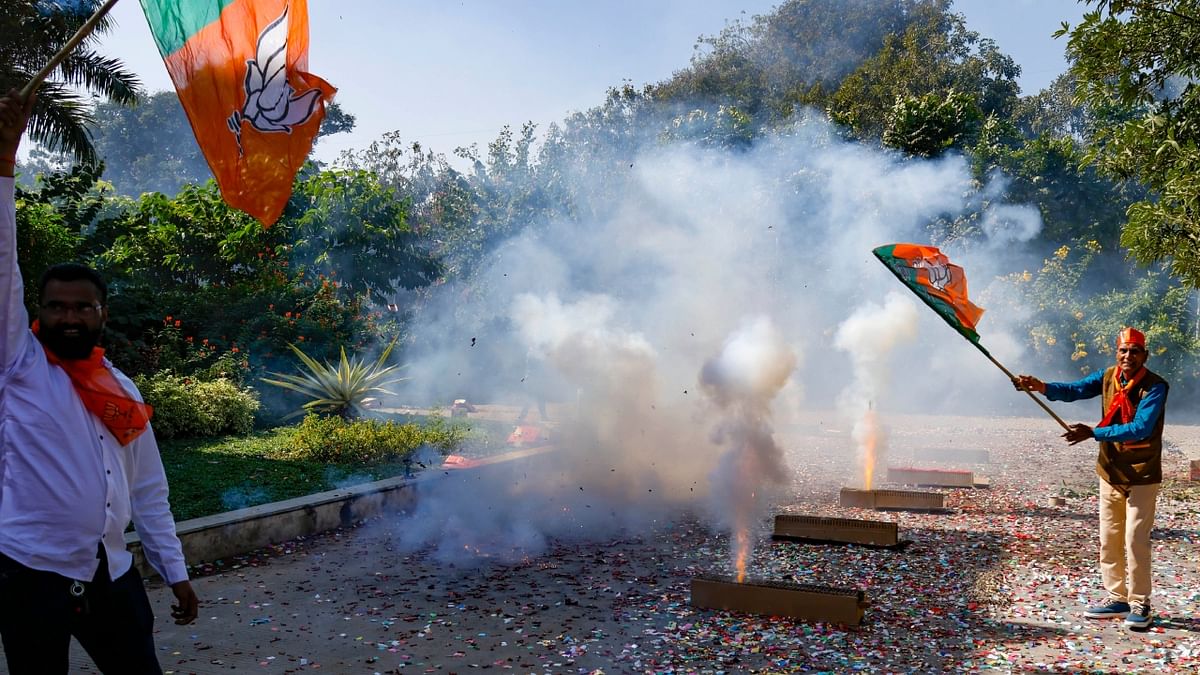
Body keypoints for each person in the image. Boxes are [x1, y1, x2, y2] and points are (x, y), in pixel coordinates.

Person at [0, 89, 198, 673]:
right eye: (57, 306)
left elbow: (148, 494)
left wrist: (176, 572)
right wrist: (4, 164)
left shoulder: (122, 390)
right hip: (30, 575)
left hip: (112, 573)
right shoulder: (20, 366)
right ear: (37, 312)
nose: (69, 316)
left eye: (82, 307)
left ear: (101, 315)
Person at [1013, 326, 1168, 631]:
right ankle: (1117, 598)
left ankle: (1140, 603)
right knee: (1109, 538)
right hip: (1110, 471)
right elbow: (1073, 390)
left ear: (1144, 356)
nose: (1128, 356)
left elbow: (1141, 428)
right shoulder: (1107, 376)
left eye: (1135, 351)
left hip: (1142, 474)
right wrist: (1041, 386)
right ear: (1117, 353)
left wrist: (1094, 432)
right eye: (1123, 351)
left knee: (1136, 540)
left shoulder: (1156, 386)